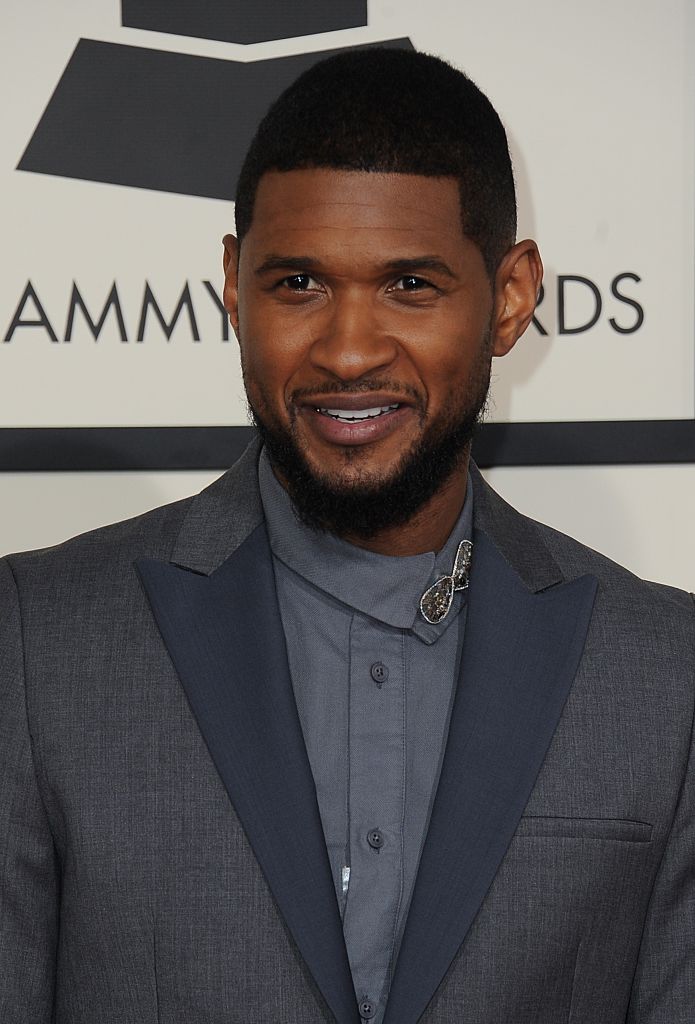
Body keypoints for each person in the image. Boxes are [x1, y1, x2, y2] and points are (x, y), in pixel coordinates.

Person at [1, 47, 693, 1024]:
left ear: (508, 297)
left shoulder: (661, 675)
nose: (348, 348)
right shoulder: (37, 644)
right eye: (298, 284)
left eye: (409, 285)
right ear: (233, 282)